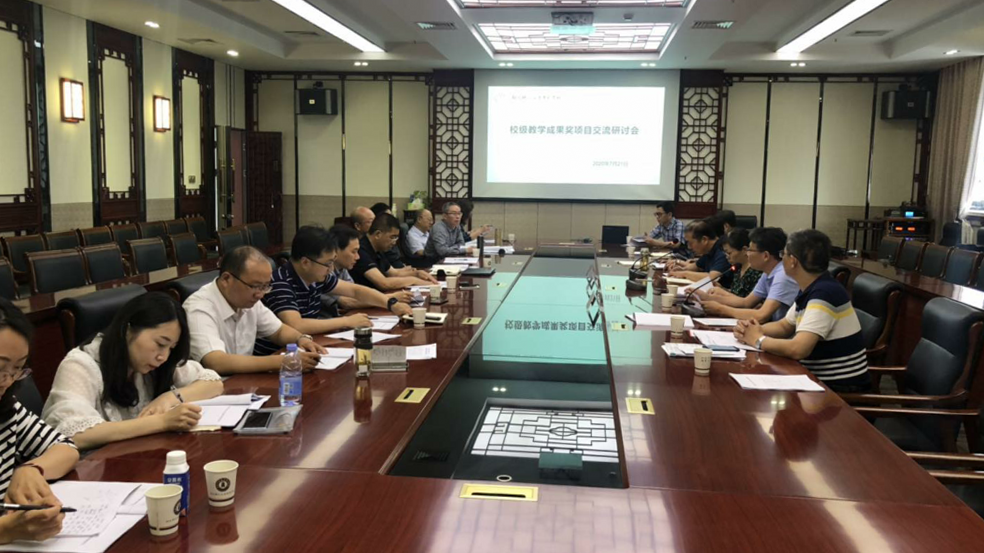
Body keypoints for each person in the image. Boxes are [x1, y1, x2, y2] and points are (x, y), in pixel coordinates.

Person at [43, 293, 224, 450]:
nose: (164, 356)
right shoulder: (80, 365)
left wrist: (169, 398)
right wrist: (162, 422)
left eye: (171, 348)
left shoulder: (152, 363)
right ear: (128, 330)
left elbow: (213, 382)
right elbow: (75, 433)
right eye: (160, 344)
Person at [735, 229, 871, 393]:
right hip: (814, 380)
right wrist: (751, 330)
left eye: (783, 254)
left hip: (838, 390)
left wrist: (758, 339)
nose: (781, 259)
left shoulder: (824, 294)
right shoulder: (812, 287)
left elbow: (798, 349)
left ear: (793, 261)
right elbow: (784, 326)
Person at [254, 226, 412, 355]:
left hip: (305, 347)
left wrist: (391, 303)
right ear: (305, 262)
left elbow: (355, 290)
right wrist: (346, 321)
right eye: (327, 263)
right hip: (276, 356)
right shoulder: (280, 282)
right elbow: (297, 325)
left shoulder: (316, 276)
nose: (331, 269)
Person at [0, 299, 78, 544]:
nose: (7, 381)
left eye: (17, 369)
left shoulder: (7, 410)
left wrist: (32, 469)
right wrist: (7, 530)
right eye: (0, 367)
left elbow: (66, 447)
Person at [183, 246, 326, 375]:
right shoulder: (199, 308)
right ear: (226, 279)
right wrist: (281, 362)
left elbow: (278, 331)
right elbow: (216, 362)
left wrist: (301, 339)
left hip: (244, 383)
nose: (260, 294)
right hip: (211, 388)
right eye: (255, 286)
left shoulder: (248, 300)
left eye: (265, 286)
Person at [698, 227, 798, 322]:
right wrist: (707, 298)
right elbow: (746, 302)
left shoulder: (782, 275)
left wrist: (720, 309)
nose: (747, 254)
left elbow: (762, 315)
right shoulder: (768, 272)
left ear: (765, 256)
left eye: (750, 250)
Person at [327, 225, 412, 312]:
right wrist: (391, 298)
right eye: (353, 252)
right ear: (335, 251)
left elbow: (356, 292)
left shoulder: (342, 269)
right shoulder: (324, 273)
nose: (358, 257)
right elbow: (348, 302)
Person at [352, 214, 436, 291]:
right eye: (392, 237)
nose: (394, 242)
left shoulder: (378, 249)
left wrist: (417, 273)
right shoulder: (361, 251)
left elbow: (394, 273)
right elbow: (384, 283)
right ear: (378, 234)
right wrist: (414, 281)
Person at [668, 219, 734, 288]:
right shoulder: (708, 250)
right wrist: (681, 270)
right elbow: (695, 267)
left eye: (690, 243)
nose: (689, 247)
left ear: (704, 240)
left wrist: (684, 273)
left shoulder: (722, 251)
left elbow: (712, 278)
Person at [425, 202, 491, 258]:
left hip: (450, 258)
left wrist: (450, 248)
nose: (457, 217)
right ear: (444, 216)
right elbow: (442, 251)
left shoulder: (457, 226)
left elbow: (461, 243)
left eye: (459, 213)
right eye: (454, 213)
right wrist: (465, 250)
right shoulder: (438, 228)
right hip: (433, 262)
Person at [709, 228, 762, 298]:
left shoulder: (756, 271)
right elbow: (735, 294)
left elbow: (748, 301)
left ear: (744, 250)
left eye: (729, 253)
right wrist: (722, 289)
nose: (727, 257)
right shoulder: (738, 268)